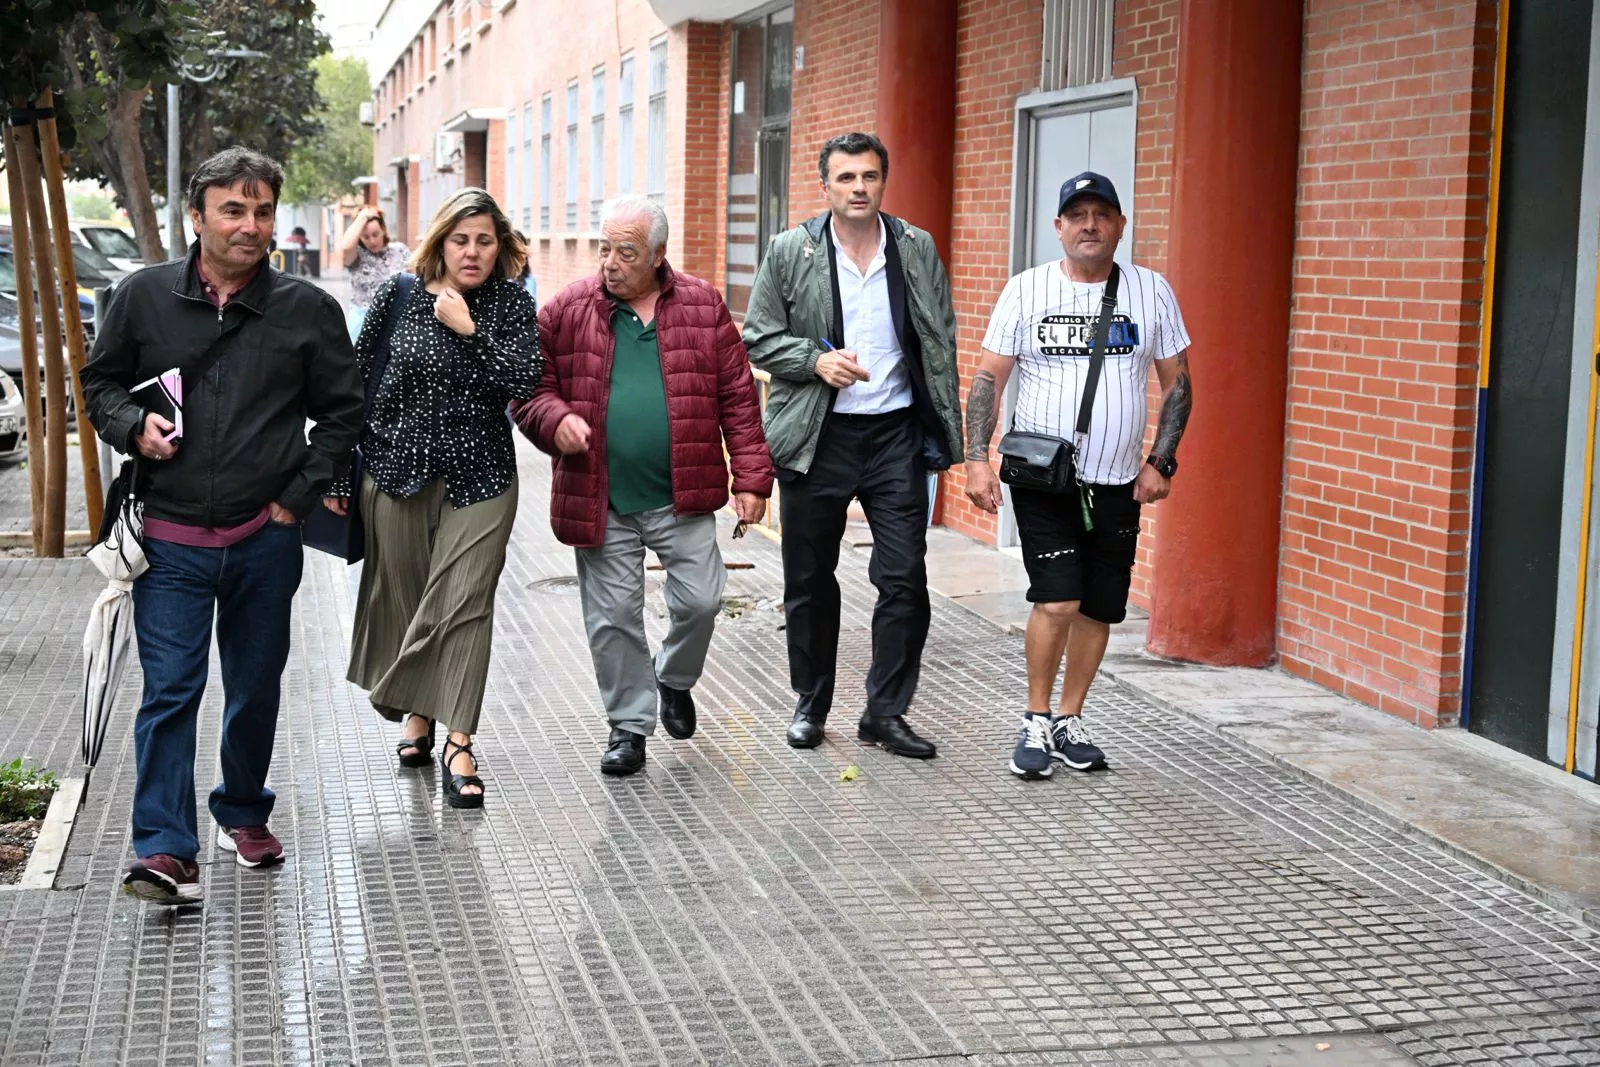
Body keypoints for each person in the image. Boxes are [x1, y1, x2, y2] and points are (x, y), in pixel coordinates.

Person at [81, 147, 363, 906]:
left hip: (264, 539)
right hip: (169, 536)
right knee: (171, 689)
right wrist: (132, 423)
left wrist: (297, 498)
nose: (250, 224)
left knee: (253, 685)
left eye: (263, 209)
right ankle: (164, 848)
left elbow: (343, 415)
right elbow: (98, 383)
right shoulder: (140, 298)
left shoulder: (306, 310)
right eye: (233, 210)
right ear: (196, 216)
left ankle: (243, 809)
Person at [511, 196, 771, 776]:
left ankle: (673, 679)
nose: (610, 262)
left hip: (682, 492)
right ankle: (629, 726)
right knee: (613, 618)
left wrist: (752, 478)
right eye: (604, 248)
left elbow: (738, 399)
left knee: (703, 600)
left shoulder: (703, 306)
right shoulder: (565, 309)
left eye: (625, 252)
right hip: (600, 495)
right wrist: (556, 421)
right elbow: (529, 390)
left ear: (657, 255)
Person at [963, 171, 1193, 779]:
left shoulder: (1151, 292)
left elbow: (1178, 383)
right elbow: (989, 379)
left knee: (1099, 606)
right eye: (1078, 215)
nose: (1090, 225)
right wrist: (977, 460)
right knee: (1058, 598)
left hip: (1118, 481)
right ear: (1059, 227)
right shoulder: (1026, 289)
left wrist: (1160, 461)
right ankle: (1035, 718)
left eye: (1102, 214)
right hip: (1043, 479)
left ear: (1119, 225)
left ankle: (1070, 719)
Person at [741, 132, 963, 760]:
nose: (859, 188)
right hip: (819, 434)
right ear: (826, 186)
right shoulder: (791, 251)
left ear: (882, 182)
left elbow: (939, 346)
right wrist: (815, 360)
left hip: (894, 433)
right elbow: (759, 337)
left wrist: (957, 445)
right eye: (846, 178)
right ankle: (811, 703)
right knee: (809, 579)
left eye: (869, 176)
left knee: (904, 577)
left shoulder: (915, 247)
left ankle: (885, 713)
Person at [331, 187, 540, 808]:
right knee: (406, 597)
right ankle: (418, 713)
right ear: (439, 242)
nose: (472, 253)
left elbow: (523, 381)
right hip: (396, 471)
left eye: (484, 241)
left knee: (464, 601)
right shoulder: (396, 296)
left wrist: (470, 329)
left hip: (482, 478)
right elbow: (355, 386)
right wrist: (341, 475)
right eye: (460, 240)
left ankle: (458, 740)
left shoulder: (508, 305)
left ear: (499, 247)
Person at [339, 206, 410, 340]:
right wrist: (363, 216)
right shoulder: (357, 255)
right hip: (362, 323)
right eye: (366, 237)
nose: (372, 241)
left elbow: (415, 283)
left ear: (383, 229)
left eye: (375, 234)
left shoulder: (400, 251)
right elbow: (346, 246)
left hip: (395, 322)